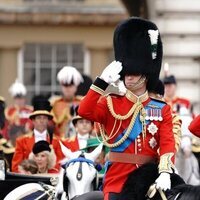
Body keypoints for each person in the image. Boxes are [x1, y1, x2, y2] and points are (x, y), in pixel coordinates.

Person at [78, 17, 175, 200]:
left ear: (145, 76)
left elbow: (167, 144)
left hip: (150, 179)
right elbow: (84, 111)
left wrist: (165, 171)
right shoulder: (111, 103)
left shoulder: (162, 109)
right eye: (126, 74)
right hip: (118, 179)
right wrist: (101, 83)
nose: (128, 78)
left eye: (134, 73)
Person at [11, 96, 63, 172]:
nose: (41, 121)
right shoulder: (21, 141)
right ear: (33, 120)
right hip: (28, 179)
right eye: (39, 118)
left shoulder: (57, 141)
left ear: (48, 120)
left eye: (44, 118)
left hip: (49, 180)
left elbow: (59, 165)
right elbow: (15, 167)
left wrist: (47, 175)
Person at [51, 66, 83, 139]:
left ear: (76, 86)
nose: (68, 88)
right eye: (65, 85)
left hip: (79, 139)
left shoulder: (82, 102)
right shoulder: (54, 103)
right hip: (59, 140)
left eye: (71, 85)